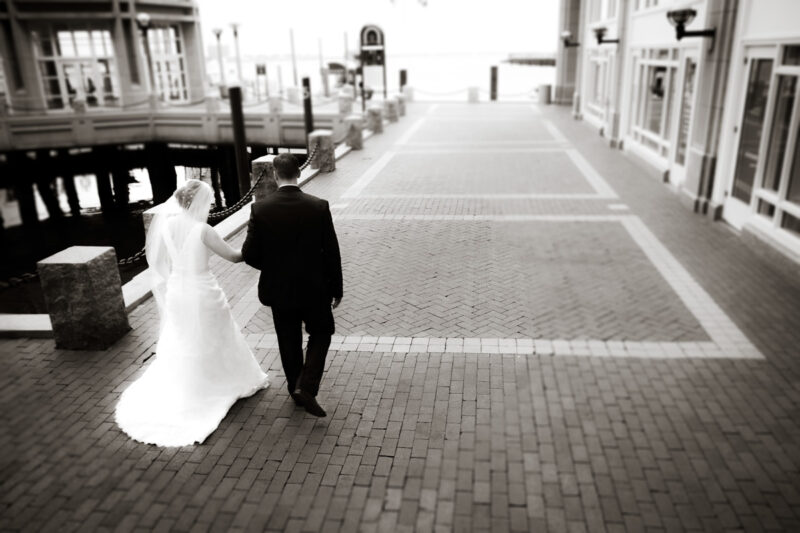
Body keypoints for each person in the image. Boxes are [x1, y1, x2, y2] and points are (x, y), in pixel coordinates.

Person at [115, 180, 268, 447]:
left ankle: (187, 382)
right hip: (202, 291)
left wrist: (177, 279)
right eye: (208, 202)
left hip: (178, 290)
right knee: (214, 335)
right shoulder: (203, 230)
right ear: (197, 203)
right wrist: (257, 242)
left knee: (184, 336)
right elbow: (233, 257)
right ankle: (215, 383)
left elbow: (160, 263)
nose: (210, 206)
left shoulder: (167, 226)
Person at [242, 153, 342, 418]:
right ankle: (306, 386)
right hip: (315, 288)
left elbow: (249, 254)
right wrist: (336, 288)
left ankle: (295, 391)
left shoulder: (260, 209)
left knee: (288, 340)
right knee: (322, 332)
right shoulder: (319, 206)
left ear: (275, 175)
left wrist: (275, 267)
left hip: (279, 288)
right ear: (298, 173)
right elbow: (331, 252)